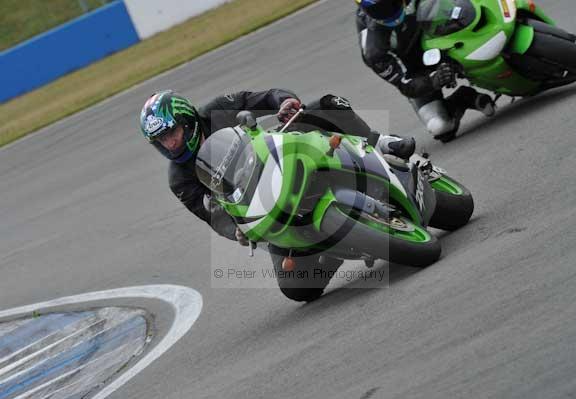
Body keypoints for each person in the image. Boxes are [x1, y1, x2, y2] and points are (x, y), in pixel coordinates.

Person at [139, 89, 416, 301]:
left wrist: (286, 102)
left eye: (172, 133)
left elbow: (267, 96)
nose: (170, 143)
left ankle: (382, 143)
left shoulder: (218, 109)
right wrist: (236, 228)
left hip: (280, 158)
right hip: (265, 208)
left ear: (188, 121)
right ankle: (330, 248)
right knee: (296, 288)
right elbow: (214, 217)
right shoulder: (180, 180)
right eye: (161, 140)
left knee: (327, 104)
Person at [355, 0, 496, 142]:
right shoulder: (373, 51)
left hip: (443, 33)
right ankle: (464, 98)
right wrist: (434, 80)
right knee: (440, 127)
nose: (387, 11)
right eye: (377, 9)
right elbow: (405, 84)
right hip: (415, 67)